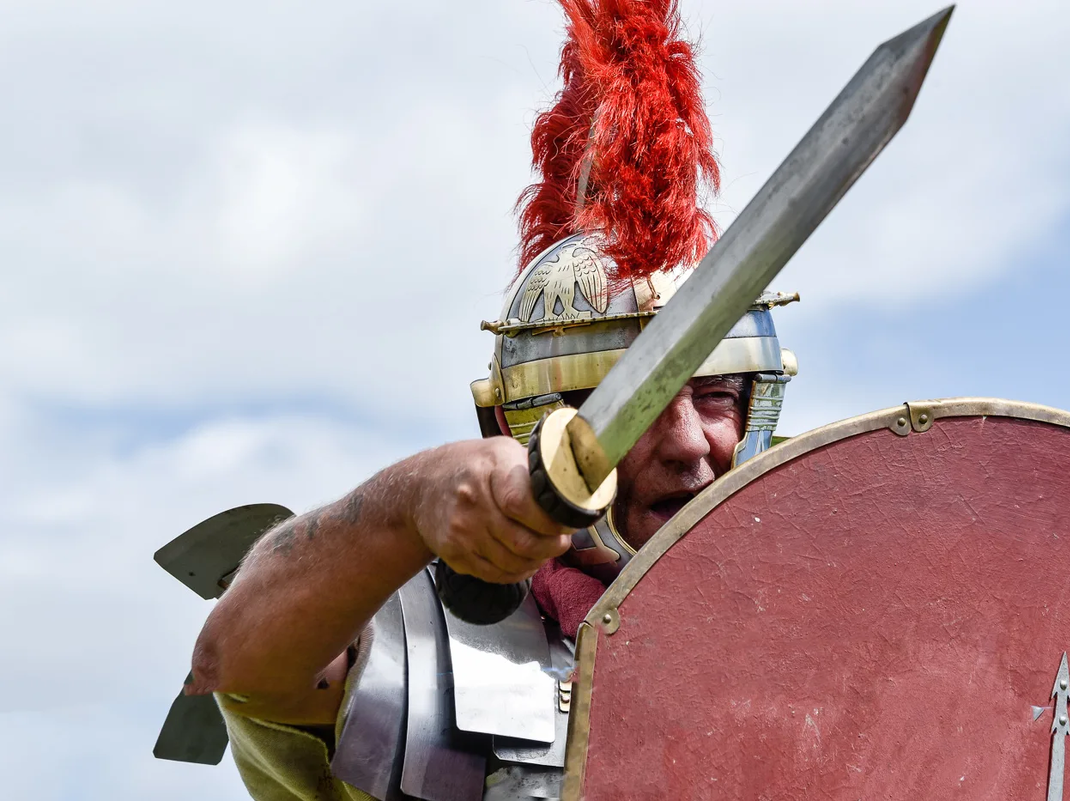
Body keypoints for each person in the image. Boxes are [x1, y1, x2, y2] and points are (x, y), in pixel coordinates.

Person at [186, 2, 796, 798]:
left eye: (715, 393)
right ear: (517, 427)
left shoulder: (840, 609)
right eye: (636, 402)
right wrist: (412, 500)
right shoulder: (434, 648)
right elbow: (245, 663)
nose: (687, 442)